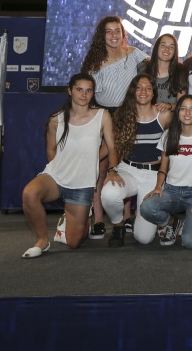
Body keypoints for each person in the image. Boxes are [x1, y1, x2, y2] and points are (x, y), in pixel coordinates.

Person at [21, 73, 117, 258]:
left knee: (73, 243)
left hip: (82, 185)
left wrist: (97, 162)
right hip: (56, 177)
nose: (84, 94)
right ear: (70, 91)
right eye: (79, 90)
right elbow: (51, 151)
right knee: (29, 193)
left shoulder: (102, 116)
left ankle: (84, 220)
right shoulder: (56, 119)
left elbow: (112, 147)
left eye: (89, 91)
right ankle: (42, 241)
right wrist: (63, 168)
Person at [80, 15, 149, 240]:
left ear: (123, 33)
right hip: (103, 117)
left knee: (125, 166)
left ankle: (126, 216)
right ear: (102, 35)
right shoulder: (93, 63)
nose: (113, 35)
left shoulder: (134, 54)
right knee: (100, 169)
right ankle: (98, 220)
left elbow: (157, 65)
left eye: (117, 31)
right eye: (108, 31)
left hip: (128, 116)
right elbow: (85, 95)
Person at [101, 74, 173, 247]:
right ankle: (118, 225)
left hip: (153, 176)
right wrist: (109, 169)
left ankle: (162, 219)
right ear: (133, 91)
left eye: (148, 88)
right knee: (109, 194)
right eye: (139, 87)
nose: (143, 91)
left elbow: (174, 142)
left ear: (153, 93)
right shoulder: (122, 115)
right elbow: (111, 147)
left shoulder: (163, 115)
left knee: (144, 239)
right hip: (128, 170)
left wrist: (171, 104)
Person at [138, 94, 192, 249]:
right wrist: (158, 187)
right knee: (147, 207)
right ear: (177, 112)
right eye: (183, 109)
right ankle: (173, 222)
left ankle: (189, 225)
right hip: (172, 191)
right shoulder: (168, 134)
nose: (187, 113)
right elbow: (163, 167)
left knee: (191, 243)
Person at [137, 33, 187, 114]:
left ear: (175, 52)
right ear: (156, 48)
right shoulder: (142, 68)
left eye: (171, 47)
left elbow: (182, 104)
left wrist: (169, 106)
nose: (167, 49)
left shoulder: (180, 71)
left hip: (170, 120)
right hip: (145, 117)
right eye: (163, 45)